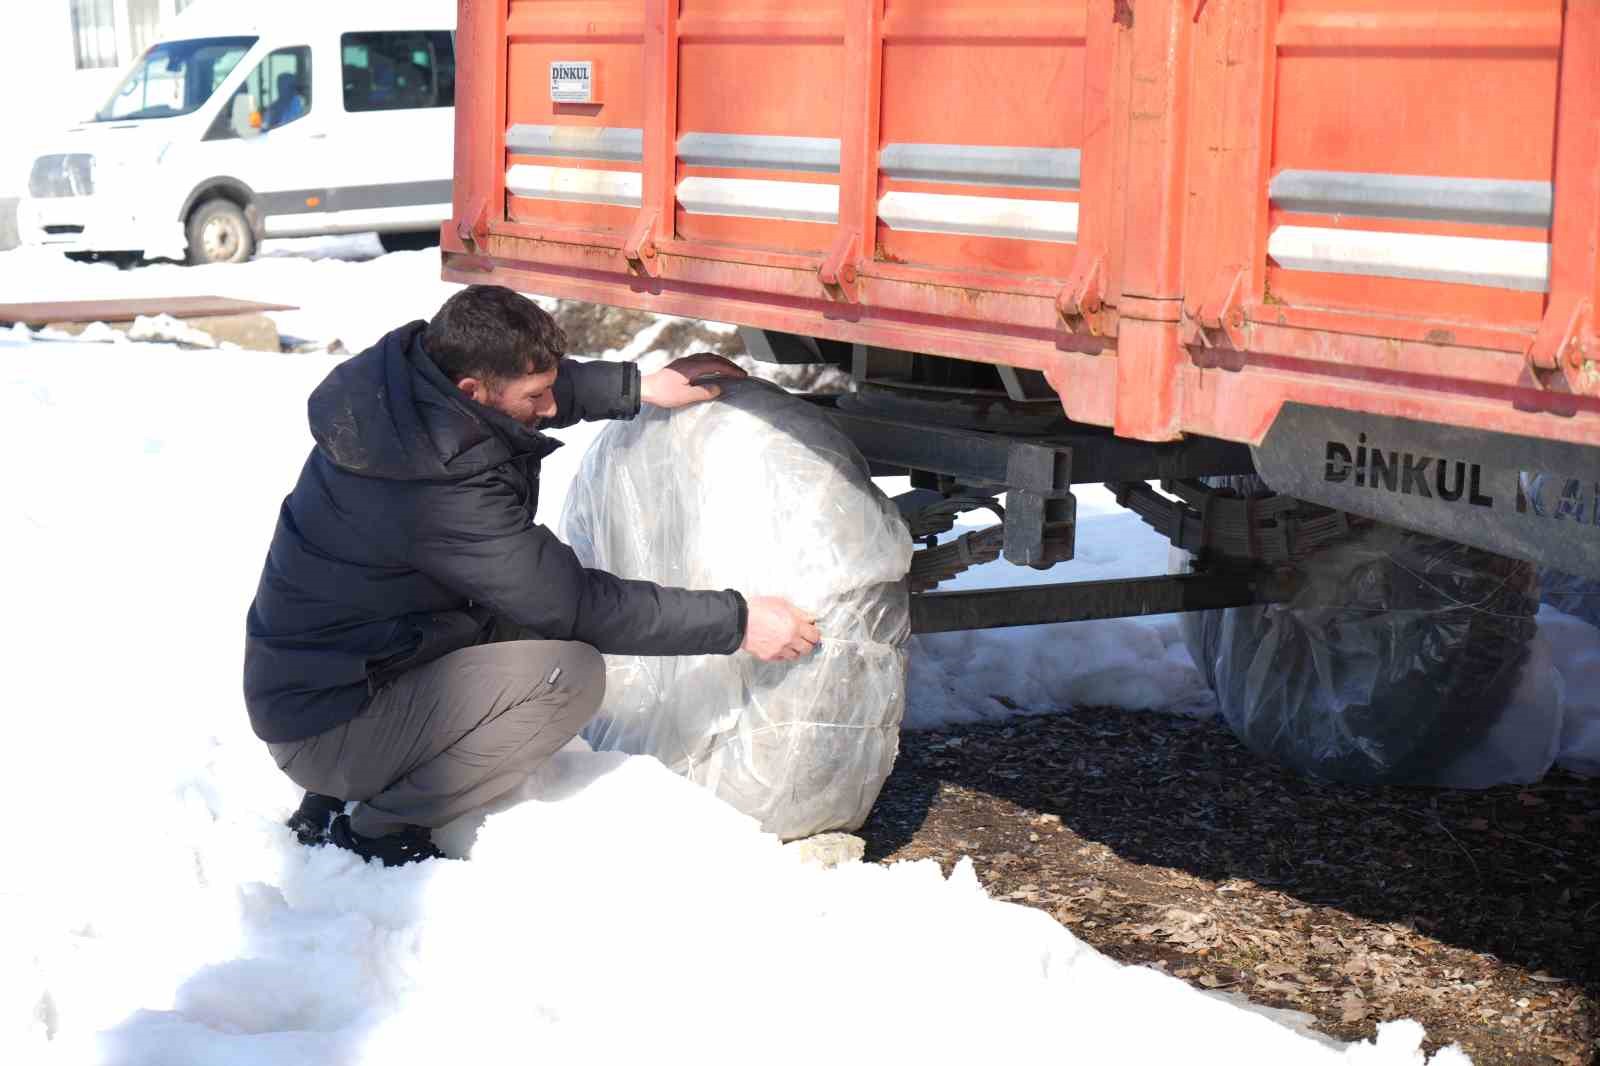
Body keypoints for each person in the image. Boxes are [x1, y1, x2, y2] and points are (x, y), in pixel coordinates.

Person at [245, 285, 820, 866]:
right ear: (472, 391)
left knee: (524, 617)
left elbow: (527, 388)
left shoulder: (403, 402)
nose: (549, 407)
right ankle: (379, 825)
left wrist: (637, 387)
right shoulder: (439, 490)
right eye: (536, 396)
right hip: (327, 725)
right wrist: (737, 621)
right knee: (565, 676)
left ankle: (353, 780)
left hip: (342, 678)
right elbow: (571, 604)